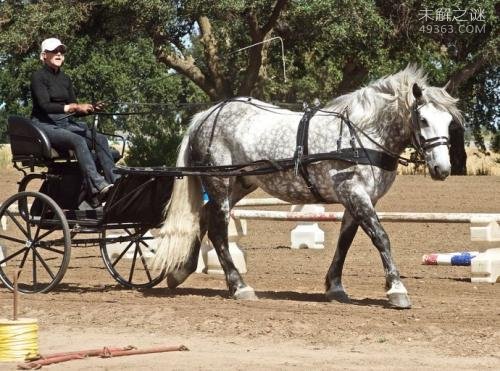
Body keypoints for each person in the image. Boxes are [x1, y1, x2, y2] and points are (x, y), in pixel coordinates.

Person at [30, 37, 117, 200]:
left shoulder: (65, 79)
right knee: (78, 140)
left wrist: (90, 108)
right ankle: (98, 185)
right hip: (44, 125)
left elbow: (75, 108)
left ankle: (116, 183)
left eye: (61, 51)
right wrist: (74, 107)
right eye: (54, 51)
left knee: (100, 139)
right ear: (43, 56)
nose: (59, 54)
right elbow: (45, 106)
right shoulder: (38, 77)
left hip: (66, 123)